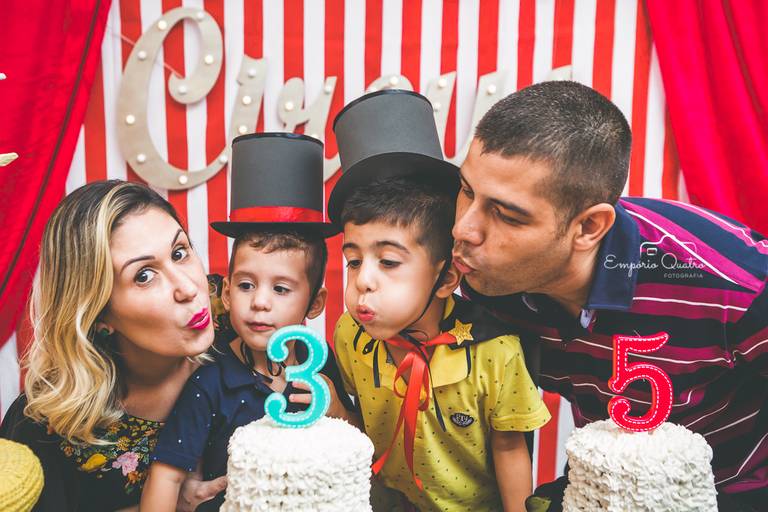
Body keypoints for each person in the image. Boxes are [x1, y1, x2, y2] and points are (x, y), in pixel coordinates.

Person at [451, 80, 768, 511]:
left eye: (506, 215)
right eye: (467, 190)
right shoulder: (477, 275)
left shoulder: (736, 287)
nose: (464, 230)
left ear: (588, 228)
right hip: (605, 489)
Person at [329, 90, 550, 512]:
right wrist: (336, 405)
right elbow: (357, 438)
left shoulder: (495, 352)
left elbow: (509, 448)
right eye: (353, 261)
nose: (363, 282)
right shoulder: (350, 335)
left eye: (389, 261)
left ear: (445, 276)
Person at [141, 133, 356, 512]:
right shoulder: (210, 381)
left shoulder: (318, 369)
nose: (259, 302)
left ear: (316, 302)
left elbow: (356, 450)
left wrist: (336, 406)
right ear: (225, 293)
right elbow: (167, 475)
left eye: (281, 289)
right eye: (245, 285)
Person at [0, 180, 225, 511]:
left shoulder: (252, 356)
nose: (188, 288)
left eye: (180, 253)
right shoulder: (40, 427)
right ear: (98, 312)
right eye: (144, 276)